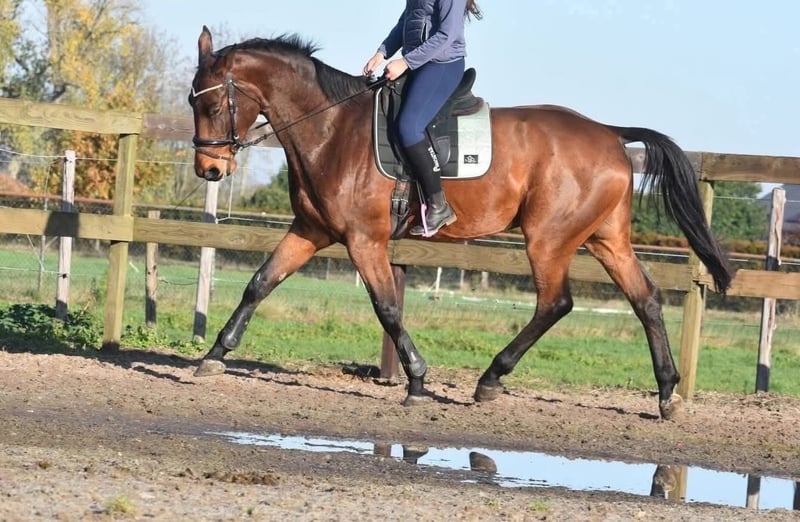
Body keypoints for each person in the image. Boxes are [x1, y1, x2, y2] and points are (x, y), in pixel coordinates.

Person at [363, 0, 482, 237]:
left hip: (443, 64)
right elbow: (407, 21)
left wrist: (405, 62)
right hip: (419, 63)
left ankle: (439, 204)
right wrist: (382, 52)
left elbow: (447, 35)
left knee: (409, 127)